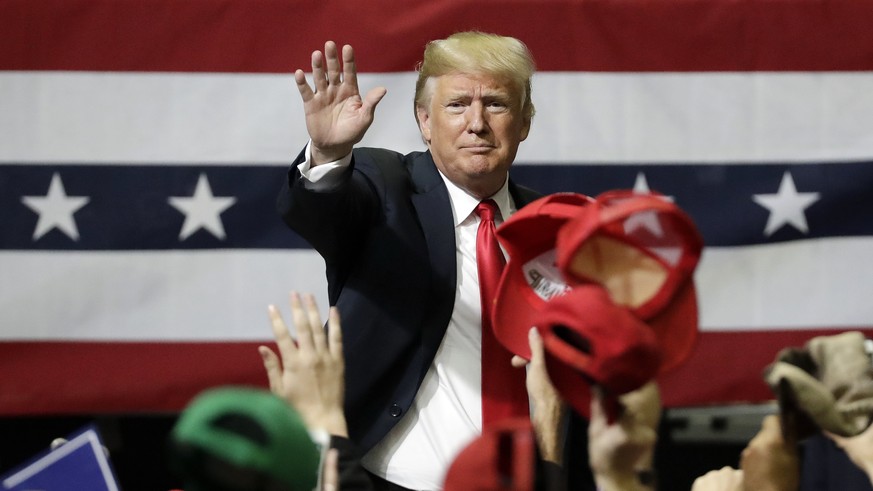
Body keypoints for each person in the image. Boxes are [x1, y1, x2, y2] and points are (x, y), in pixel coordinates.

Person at [276, 32, 545, 490]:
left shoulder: (551, 226)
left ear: (523, 122)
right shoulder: (385, 186)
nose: (476, 123)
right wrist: (328, 155)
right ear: (424, 120)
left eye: (496, 104)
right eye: (457, 105)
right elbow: (321, 211)